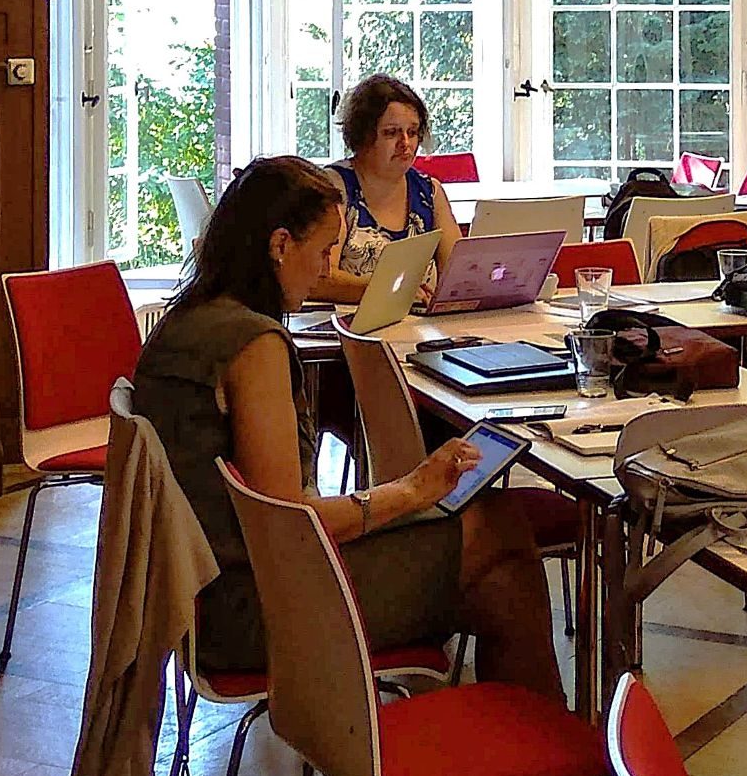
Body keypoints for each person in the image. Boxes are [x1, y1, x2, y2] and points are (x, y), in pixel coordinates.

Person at [131, 156, 563, 693]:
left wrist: (407, 496)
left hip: (200, 590)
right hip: (252, 608)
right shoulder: (253, 346)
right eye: (322, 251)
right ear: (280, 244)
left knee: (497, 569)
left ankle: (510, 723)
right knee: (498, 536)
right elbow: (288, 523)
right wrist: (411, 491)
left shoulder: (183, 323)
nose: (326, 269)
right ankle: (534, 725)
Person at [327, 73, 463, 299]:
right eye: (391, 133)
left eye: (412, 132)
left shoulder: (430, 191)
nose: (405, 143)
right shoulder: (334, 188)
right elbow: (321, 278)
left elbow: (459, 273)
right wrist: (389, 291)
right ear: (363, 136)